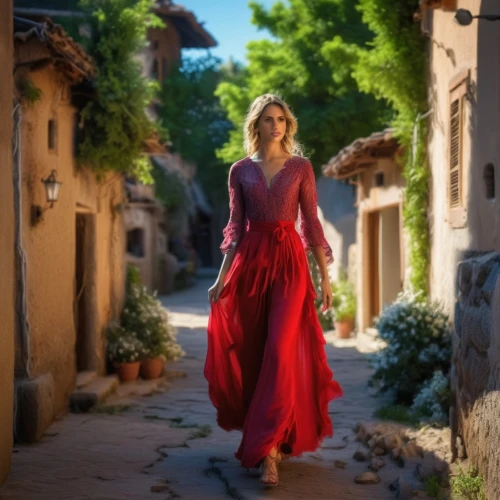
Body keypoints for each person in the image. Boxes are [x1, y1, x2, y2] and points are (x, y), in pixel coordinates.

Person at [205, 94, 343, 486]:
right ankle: (271, 439)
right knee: (253, 352)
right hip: (251, 264)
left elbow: (311, 225)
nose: (276, 125)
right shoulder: (239, 171)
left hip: (288, 265)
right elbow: (235, 228)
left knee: (281, 350)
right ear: (257, 125)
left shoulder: (301, 167)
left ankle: (268, 455)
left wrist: (324, 278)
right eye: (268, 119)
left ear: (288, 124)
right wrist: (221, 277)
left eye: (281, 119)